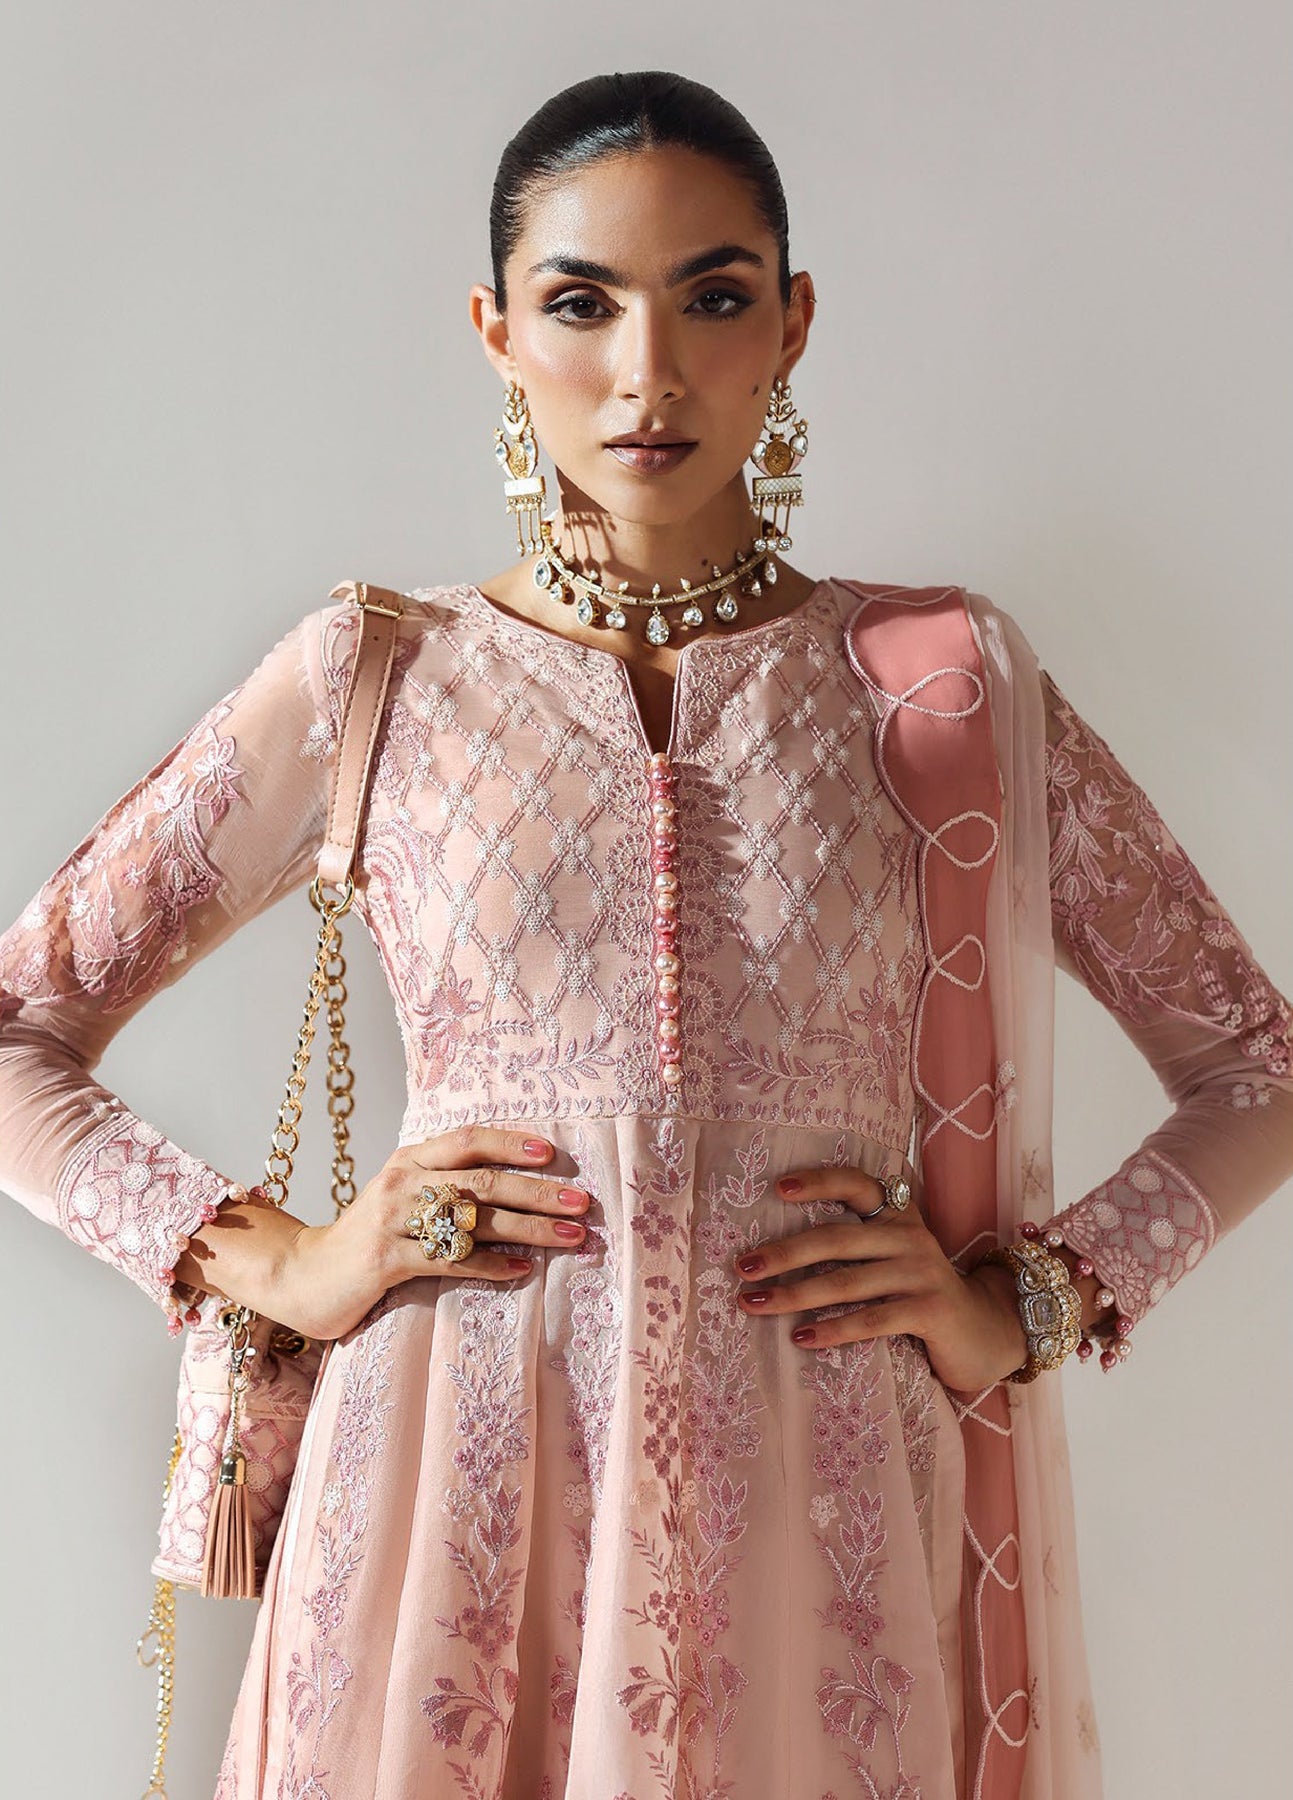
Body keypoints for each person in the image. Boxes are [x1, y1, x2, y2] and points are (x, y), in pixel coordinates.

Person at [1, 67, 1290, 1800]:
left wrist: (1029, 1303)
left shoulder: (937, 689)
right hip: (451, 1501)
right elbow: (19, 1026)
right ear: (495, 332)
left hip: (819, 1523)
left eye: (713, 297)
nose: (648, 370)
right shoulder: (379, 678)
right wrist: (284, 1265)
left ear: (793, 322)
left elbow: (1255, 1065)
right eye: (581, 302)